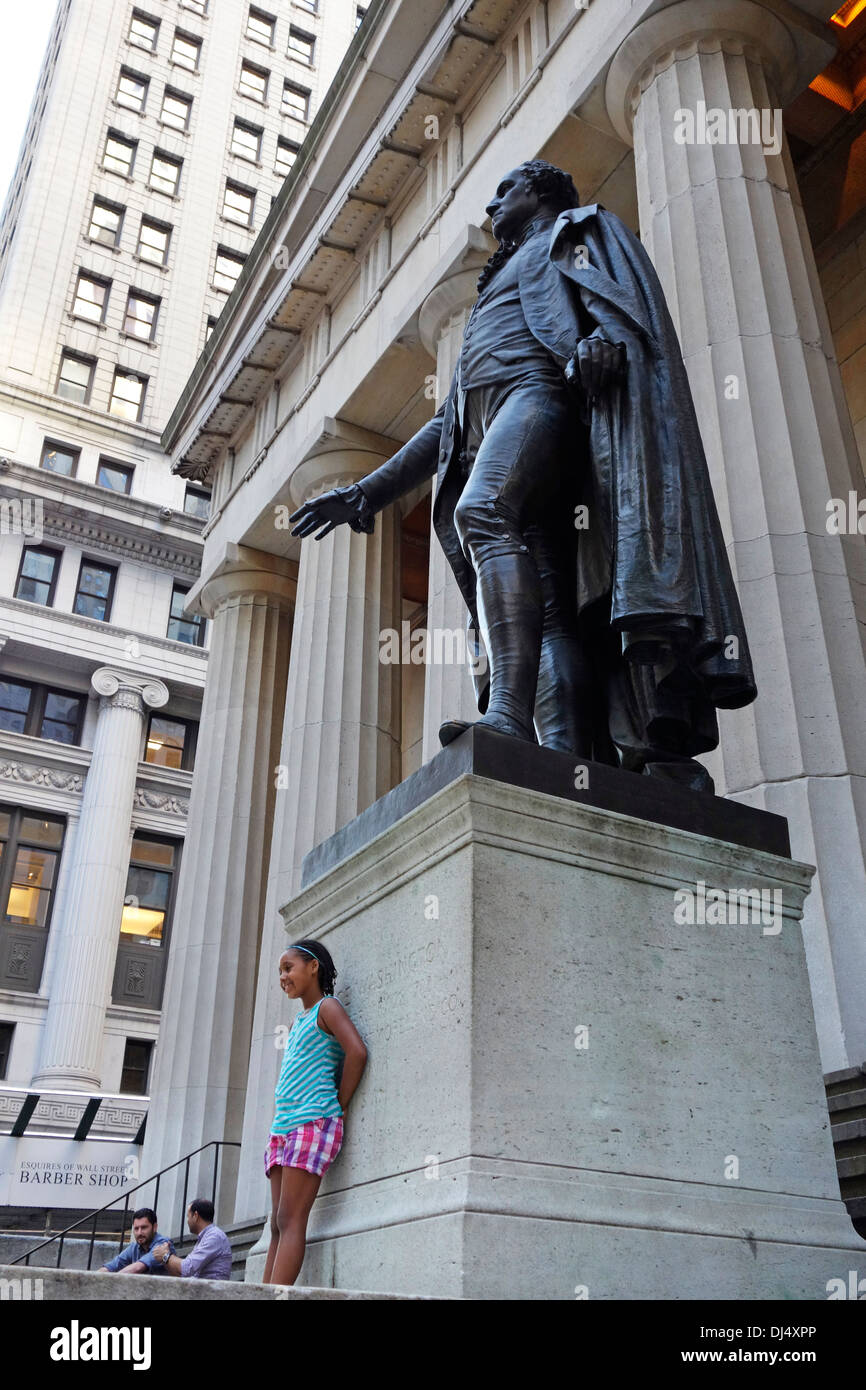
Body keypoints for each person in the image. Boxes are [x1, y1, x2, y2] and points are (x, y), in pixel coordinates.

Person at [290, 160, 757, 794]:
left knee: (481, 512)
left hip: (543, 398)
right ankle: (563, 753)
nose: (491, 202)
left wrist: (600, 344)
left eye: (505, 189)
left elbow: (619, 313)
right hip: (495, 423)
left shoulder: (576, 230)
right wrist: (366, 491)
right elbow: (451, 422)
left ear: (541, 192)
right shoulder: (489, 295)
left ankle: (506, 715)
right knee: (554, 607)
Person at [262, 940, 367, 1286]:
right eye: (280, 971)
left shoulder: (328, 1008)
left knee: (291, 1219)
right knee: (277, 1222)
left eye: (288, 968)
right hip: (284, 1126)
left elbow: (356, 1052)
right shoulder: (297, 1023)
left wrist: (341, 1103)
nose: (283, 977)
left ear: (313, 967)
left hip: (314, 1119)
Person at [151, 1198, 232, 1280]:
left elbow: (187, 1268)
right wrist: (165, 1260)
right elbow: (183, 1274)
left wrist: (166, 1255)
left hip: (211, 1291)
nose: (188, 1221)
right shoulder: (206, 1237)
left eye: (188, 1216)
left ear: (195, 1216)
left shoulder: (214, 1236)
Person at [99, 1207, 174, 1275]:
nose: (139, 1233)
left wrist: (112, 1279)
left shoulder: (163, 1244)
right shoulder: (134, 1247)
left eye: (144, 1228)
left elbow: (138, 1267)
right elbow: (112, 1266)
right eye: (136, 1228)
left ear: (154, 1227)